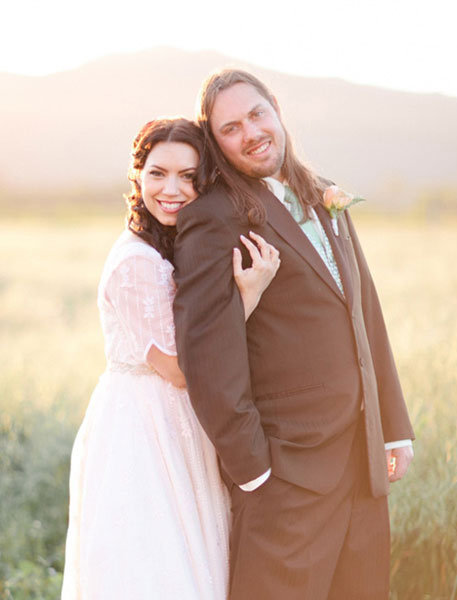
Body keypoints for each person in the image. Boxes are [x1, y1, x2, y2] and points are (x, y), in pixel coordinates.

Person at [173, 69, 415, 600]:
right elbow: (204, 354)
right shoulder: (212, 218)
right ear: (215, 141)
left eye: (256, 114)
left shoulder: (324, 193)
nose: (251, 132)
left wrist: (392, 426)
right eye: (230, 128)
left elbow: (364, 311)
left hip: (362, 466)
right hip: (286, 477)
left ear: (276, 109)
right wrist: (254, 473)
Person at [60, 117, 280, 600]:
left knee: (189, 555)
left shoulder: (167, 246)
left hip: (177, 423)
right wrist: (249, 295)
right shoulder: (136, 261)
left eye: (188, 176)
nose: (171, 189)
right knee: (153, 562)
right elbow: (181, 369)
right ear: (137, 175)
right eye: (158, 173)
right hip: (144, 428)